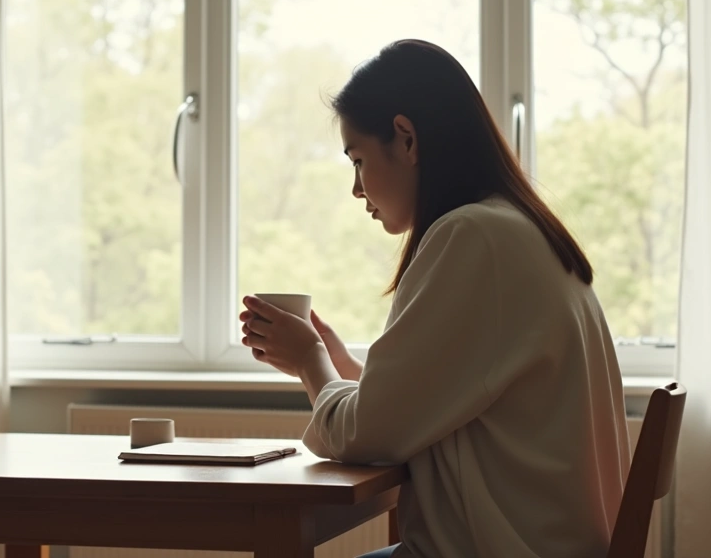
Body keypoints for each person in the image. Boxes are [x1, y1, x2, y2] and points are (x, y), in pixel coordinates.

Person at [238, 39, 630, 558]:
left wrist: (311, 362)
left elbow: (365, 438)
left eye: (358, 160)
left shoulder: (472, 237)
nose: (357, 189)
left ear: (406, 139)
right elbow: (432, 405)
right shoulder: (516, 228)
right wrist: (344, 367)